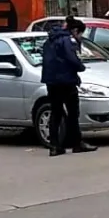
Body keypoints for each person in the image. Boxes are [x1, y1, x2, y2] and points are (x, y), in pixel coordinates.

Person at [42, 17, 98, 156]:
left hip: (51, 82)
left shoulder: (49, 41)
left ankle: (54, 146)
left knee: (56, 113)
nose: (80, 37)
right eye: (80, 34)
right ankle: (77, 143)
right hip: (66, 81)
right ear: (75, 31)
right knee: (73, 113)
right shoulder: (67, 40)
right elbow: (72, 58)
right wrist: (81, 67)